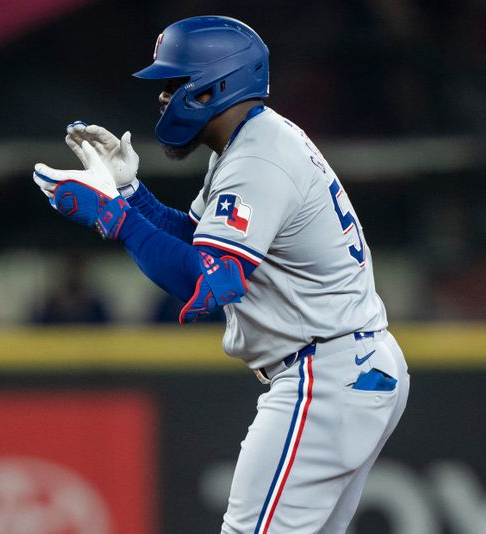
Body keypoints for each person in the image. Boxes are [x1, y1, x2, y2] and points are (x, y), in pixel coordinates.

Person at [33, 16, 409, 533]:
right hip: (350, 363)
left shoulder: (258, 159)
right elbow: (193, 236)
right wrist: (129, 194)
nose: (163, 97)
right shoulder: (252, 142)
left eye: (173, 83)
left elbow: (209, 282)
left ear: (215, 85)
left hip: (326, 373)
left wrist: (111, 218)